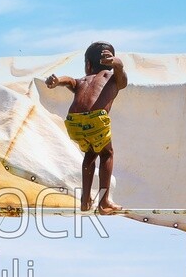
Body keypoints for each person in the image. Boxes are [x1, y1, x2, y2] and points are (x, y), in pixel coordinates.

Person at [46, 41, 128, 213]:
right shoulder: (110, 77)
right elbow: (123, 78)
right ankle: (104, 201)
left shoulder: (82, 80)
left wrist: (57, 81)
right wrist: (116, 64)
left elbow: (68, 80)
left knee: (90, 154)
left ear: (88, 65)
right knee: (107, 154)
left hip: (74, 122)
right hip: (95, 120)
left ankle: (85, 199)